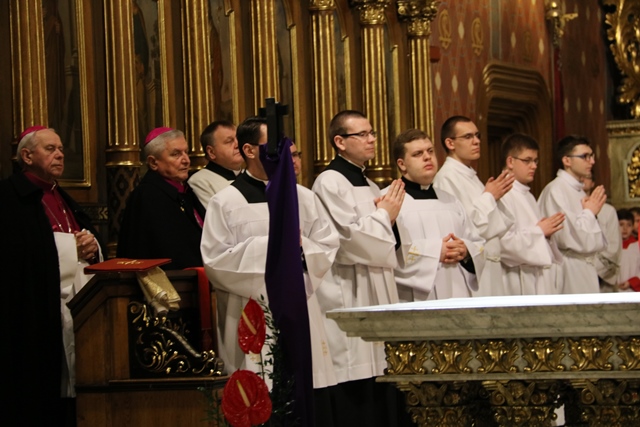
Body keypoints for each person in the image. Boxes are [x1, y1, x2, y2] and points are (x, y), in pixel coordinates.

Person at [200, 117, 340, 423]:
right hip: (251, 310)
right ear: (249, 150)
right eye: (273, 147)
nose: (283, 155)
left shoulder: (304, 197)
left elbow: (327, 245)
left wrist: (300, 249)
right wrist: (275, 246)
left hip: (301, 306)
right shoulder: (225, 202)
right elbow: (216, 261)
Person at [0, 126, 103, 426]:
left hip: (75, 302)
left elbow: (83, 237)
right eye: (50, 149)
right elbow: (17, 252)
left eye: (60, 149)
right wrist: (72, 248)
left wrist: (91, 245)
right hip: (32, 307)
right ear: (26, 156)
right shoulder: (9, 197)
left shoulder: (61, 195)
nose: (60, 154)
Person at [312, 110, 407, 427]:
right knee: (357, 380)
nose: (371, 140)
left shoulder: (369, 184)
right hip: (349, 291)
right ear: (340, 142)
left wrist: (389, 218)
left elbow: (387, 242)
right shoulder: (329, 182)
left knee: (381, 378)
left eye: (372, 133)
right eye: (362, 134)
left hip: (376, 289)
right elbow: (347, 240)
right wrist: (384, 216)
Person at [385, 128, 485, 301]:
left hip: (458, 293)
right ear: (402, 164)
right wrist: (435, 251)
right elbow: (386, 254)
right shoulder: (389, 201)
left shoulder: (451, 201)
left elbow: (477, 241)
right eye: (418, 154)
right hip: (413, 298)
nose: (427, 157)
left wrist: (466, 250)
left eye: (430, 151)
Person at [432, 115, 515, 296]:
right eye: (468, 137)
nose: (476, 141)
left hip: (489, 265)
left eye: (477, 136)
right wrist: (490, 196)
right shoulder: (446, 178)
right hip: (472, 269)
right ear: (450, 143)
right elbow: (463, 229)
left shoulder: (470, 175)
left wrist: (493, 197)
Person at [118, 127, 205, 270]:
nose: (186, 160)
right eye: (176, 154)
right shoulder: (147, 197)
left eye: (186, 152)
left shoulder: (185, 191)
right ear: (153, 162)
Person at [538, 135, 607, 294]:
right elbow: (570, 238)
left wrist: (592, 214)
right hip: (569, 268)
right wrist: (589, 212)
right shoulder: (556, 190)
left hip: (584, 266)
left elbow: (594, 240)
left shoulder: (578, 191)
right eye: (585, 156)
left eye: (592, 156)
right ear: (567, 160)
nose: (592, 161)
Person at [498, 133, 564, 295]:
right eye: (527, 160)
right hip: (515, 279)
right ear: (510, 161)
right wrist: (540, 231)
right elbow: (503, 244)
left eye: (535, 161)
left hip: (534, 276)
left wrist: (546, 233)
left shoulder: (527, 195)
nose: (534, 166)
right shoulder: (503, 194)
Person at [188, 120, 243, 207]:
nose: (237, 145)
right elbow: (214, 214)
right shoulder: (200, 181)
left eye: (239, 139)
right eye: (229, 141)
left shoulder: (251, 176)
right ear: (211, 152)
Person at [583, 175, 621, 292]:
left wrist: (590, 269)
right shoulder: (568, 208)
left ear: (593, 183)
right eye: (580, 177)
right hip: (575, 274)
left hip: (601, 280)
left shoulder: (608, 211)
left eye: (587, 177)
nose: (582, 180)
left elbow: (613, 247)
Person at [616, 209, 640, 292]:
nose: (625, 228)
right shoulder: (610, 247)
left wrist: (631, 282)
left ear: (633, 227)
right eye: (621, 224)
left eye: (629, 225)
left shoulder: (637, 246)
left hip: (633, 291)